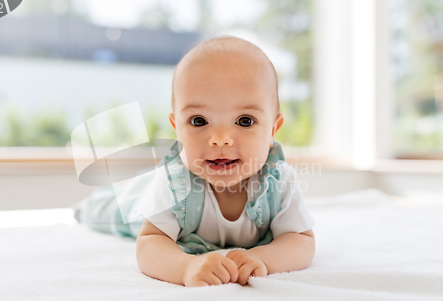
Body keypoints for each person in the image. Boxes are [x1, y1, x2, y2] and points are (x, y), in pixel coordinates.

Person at [75, 36, 315, 287]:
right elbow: (150, 242)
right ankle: (84, 208)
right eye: (199, 121)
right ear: (176, 128)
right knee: (113, 207)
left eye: (245, 121)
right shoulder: (171, 183)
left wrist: (263, 259)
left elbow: (300, 239)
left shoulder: (279, 180)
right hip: (140, 200)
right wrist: (187, 267)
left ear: (273, 130)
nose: (220, 140)